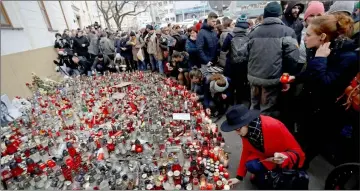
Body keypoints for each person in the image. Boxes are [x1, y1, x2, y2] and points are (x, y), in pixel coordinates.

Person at [289, 14, 358, 170]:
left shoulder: (349, 57)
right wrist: (295, 78)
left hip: (327, 113)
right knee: (300, 139)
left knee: (311, 145)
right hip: (312, 107)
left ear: (322, 37)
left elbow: (326, 84)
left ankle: (298, 169)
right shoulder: (323, 48)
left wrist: (320, 59)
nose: (304, 38)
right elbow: (311, 73)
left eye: (308, 35)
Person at [221, 105, 305, 188]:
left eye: (237, 129)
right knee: (250, 165)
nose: (237, 133)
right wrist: (239, 176)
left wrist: (285, 157)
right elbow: (246, 150)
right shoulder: (246, 131)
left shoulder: (275, 126)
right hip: (266, 158)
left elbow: (298, 152)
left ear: (246, 123)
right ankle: (263, 175)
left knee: (266, 184)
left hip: (282, 163)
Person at [247, 1, 299, 119]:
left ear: (265, 15)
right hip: (271, 78)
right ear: (280, 15)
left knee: (254, 106)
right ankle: (262, 134)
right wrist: (286, 78)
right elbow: (292, 58)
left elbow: (246, 54)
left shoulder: (253, 32)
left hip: (254, 77)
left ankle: (250, 131)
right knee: (266, 110)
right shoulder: (287, 31)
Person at [222, 14, 250, 105]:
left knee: (230, 85)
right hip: (243, 65)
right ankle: (239, 104)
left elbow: (224, 48)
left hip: (231, 65)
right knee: (241, 86)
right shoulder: (249, 35)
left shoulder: (230, 35)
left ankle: (230, 104)